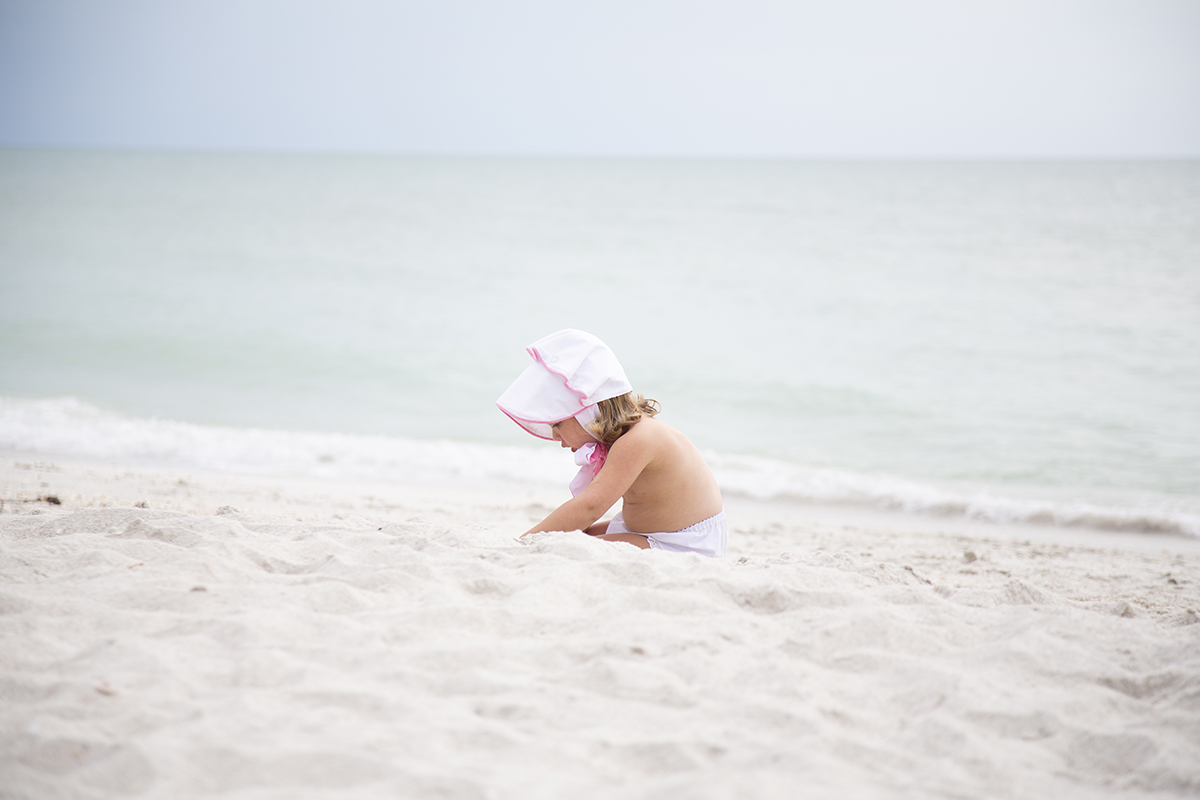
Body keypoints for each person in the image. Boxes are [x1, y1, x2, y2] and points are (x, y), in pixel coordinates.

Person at [496, 329, 727, 557]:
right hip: (646, 529)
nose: (555, 437)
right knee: (569, 538)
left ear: (588, 413)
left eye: (558, 425)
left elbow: (589, 508)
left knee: (571, 548)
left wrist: (523, 543)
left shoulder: (639, 439)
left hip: (683, 541)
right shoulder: (627, 435)